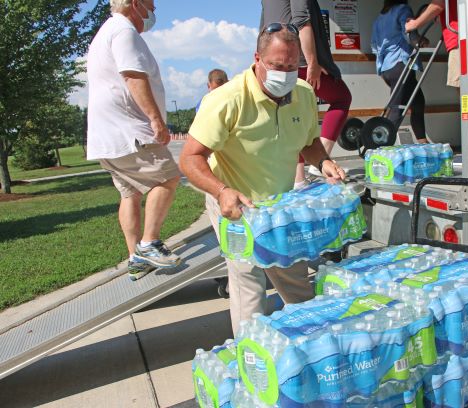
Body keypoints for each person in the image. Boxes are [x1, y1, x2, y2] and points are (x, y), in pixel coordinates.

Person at [179, 23, 346, 334]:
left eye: (291, 66)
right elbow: (190, 158)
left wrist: (323, 162)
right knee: (248, 280)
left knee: (293, 274)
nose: (284, 73)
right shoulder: (226, 100)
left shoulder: (304, 94)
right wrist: (221, 191)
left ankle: (311, 341)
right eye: (276, 65)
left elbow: (308, 142)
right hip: (235, 203)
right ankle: (252, 353)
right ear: (257, 58)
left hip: (279, 206)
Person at [87, 0, 181, 281]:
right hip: (130, 131)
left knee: (130, 193)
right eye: (151, 5)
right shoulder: (124, 31)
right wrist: (155, 119)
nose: (153, 13)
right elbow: (132, 76)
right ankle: (149, 244)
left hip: (107, 136)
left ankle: (135, 258)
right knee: (168, 178)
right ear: (136, 3)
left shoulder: (105, 32)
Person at [261, 0, 352, 187]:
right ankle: (320, 160)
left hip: (274, 61)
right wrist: (312, 62)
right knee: (341, 97)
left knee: (290, 115)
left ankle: (298, 180)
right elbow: (301, 19)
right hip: (298, 59)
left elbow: (264, 27)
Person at [372, 0, 428, 143]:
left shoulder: (379, 18)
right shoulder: (403, 9)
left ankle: (422, 142)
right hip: (401, 64)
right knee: (397, 109)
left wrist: (382, 66)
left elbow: (374, 46)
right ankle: (383, 146)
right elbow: (409, 32)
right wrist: (420, 41)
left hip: (387, 68)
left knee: (418, 102)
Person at [405, 0, 459, 89]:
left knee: (462, 87)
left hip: (458, 40)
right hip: (463, 38)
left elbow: (438, 4)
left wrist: (415, 23)